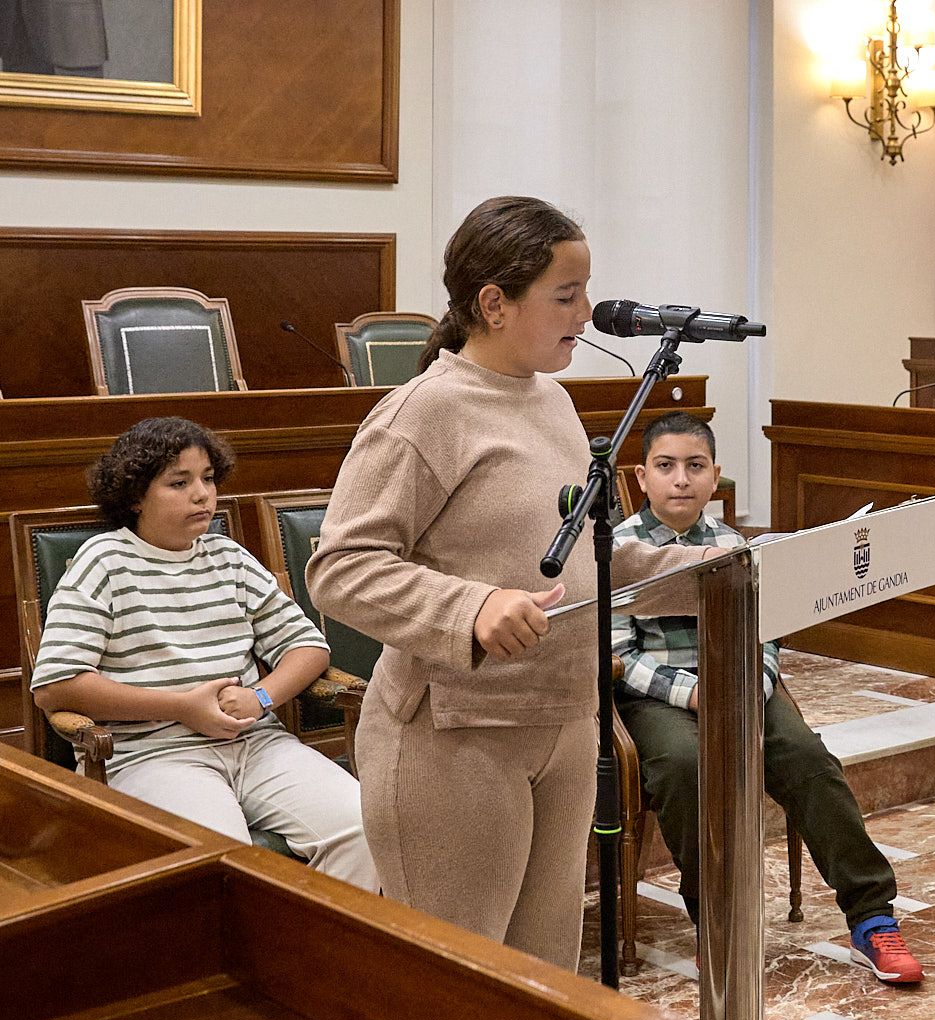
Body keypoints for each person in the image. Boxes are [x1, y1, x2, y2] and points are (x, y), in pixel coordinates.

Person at [305, 196, 711, 970]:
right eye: (566, 295)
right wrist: (472, 604)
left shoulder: (551, 401)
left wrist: (709, 574)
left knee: (542, 980)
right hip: (454, 737)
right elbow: (341, 568)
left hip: (564, 721)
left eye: (586, 291)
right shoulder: (421, 414)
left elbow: (587, 557)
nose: (587, 313)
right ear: (493, 303)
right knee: (456, 990)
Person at [612, 412, 924, 985]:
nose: (681, 479)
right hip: (659, 695)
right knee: (685, 766)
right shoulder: (618, 549)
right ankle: (718, 920)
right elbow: (620, 657)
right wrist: (696, 695)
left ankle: (872, 915)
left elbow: (766, 634)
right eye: (665, 466)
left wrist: (745, 690)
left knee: (807, 760)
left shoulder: (736, 544)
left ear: (715, 476)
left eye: (695, 466)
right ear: (641, 476)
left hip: (739, 684)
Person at [30, 417, 377, 890]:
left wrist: (261, 697)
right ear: (134, 495)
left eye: (208, 478)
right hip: (152, 755)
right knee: (225, 862)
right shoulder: (101, 562)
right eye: (179, 482)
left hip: (256, 745)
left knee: (364, 828)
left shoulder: (228, 556)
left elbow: (307, 646)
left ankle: (319, 958)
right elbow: (56, 686)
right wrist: (181, 707)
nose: (202, 494)